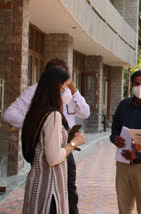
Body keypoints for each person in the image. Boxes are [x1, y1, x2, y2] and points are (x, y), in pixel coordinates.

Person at [3, 58, 90, 214]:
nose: (67, 89)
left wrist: (73, 89)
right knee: (54, 202)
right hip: (52, 166)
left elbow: (85, 112)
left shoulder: (62, 98)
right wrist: (74, 142)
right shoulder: (51, 114)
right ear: (54, 81)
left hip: (46, 169)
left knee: (69, 193)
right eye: (65, 84)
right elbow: (53, 158)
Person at [110, 70, 141, 214]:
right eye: (136, 83)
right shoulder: (123, 105)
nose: (140, 86)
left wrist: (139, 151)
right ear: (131, 85)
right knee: (124, 207)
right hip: (122, 164)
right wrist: (115, 139)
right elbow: (114, 130)